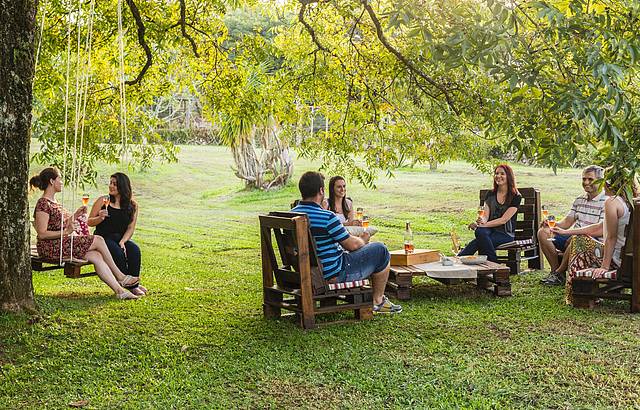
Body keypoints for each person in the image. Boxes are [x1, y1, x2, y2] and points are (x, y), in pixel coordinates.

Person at [291, 171, 401, 314]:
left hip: (304, 271)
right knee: (381, 250)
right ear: (321, 191)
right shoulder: (327, 217)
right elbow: (352, 245)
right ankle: (378, 301)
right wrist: (363, 239)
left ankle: (377, 300)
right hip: (332, 275)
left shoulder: (292, 214)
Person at [30, 168, 140, 300]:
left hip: (60, 244)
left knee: (96, 256)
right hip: (50, 247)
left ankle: (119, 291)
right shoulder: (43, 203)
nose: (62, 182)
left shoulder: (55, 203)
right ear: (52, 181)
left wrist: (76, 215)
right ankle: (121, 277)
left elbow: (59, 223)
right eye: (60, 179)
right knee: (98, 239)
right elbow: (42, 233)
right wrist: (66, 232)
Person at [556, 177, 635, 304]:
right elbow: (599, 227)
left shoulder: (612, 202)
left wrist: (604, 267)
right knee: (580, 238)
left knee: (579, 242)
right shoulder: (629, 201)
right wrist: (565, 232)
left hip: (619, 262)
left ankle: (576, 295)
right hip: (632, 261)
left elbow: (611, 237)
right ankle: (589, 290)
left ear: (608, 183)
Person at [538, 165, 607, 285]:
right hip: (573, 238)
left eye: (590, 179)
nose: (586, 182)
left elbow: (599, 231)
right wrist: (551, 225)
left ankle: (558, 273)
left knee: (577, 239)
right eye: (584, 179)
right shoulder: (580, 199)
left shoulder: (606, 201)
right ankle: (556, 273)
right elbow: (567, 222)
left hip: (594, 243)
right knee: (543, 232)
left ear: (600, 181)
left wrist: (573, 234)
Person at [87, 172, 146, 296]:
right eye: (110, 183)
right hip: (103, 238)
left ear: (123, 186)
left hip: (120, 238)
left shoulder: (132, 205)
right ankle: (125, 283)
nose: (111, 186)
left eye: (115, 184)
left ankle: (134, 285)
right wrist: (100, 218)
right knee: (118, 252)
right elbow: (89, 222)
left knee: (135, 250)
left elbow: (130, 228)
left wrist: (123, 241)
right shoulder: (103, 201)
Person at [458, 164, 522, 262]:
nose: (498, 176)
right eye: (496, 173)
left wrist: (483, 225)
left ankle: (459, 259)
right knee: (480, 232)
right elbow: (485, 215)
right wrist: (481, 221)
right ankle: (493, 265)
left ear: (508, 176)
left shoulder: (515, 196)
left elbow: (503, 220)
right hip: (489, 230)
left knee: (478, 241)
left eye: (502, 174)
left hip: (505, 234)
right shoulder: (490, 194)